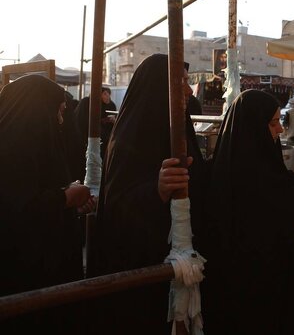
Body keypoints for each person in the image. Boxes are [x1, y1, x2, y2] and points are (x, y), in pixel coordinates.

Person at [199, 89, 294, 335]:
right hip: (257, 280)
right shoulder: (251, 173)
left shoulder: (228, 162)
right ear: (255, 125)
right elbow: (282, 206)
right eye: (274, 122)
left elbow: (279, 182)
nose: (280, 129)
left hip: (231, 281)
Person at [90, 54, 208, 334]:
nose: (189, 91)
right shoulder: (128, 139)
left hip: (184, 264)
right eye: (181, 82)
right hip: (146, 273)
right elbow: (116, 208)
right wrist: (156, 189)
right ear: (160, 88)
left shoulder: (179, 129)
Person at [0, 75, 92, 334]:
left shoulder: (28, 148)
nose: (61, 121)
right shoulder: (9, 154)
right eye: (58, 113)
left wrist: (68, 199)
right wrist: (65, 197)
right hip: (24, 283)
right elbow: (16, 209)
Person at [74, 86, 118, 159]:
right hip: (86, 140)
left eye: (108, 94)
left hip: (104, 142)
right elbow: (82, 121)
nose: (108, 96)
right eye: (105, 94)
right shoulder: (87, 102)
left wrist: (113, 121)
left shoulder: (111, 106)